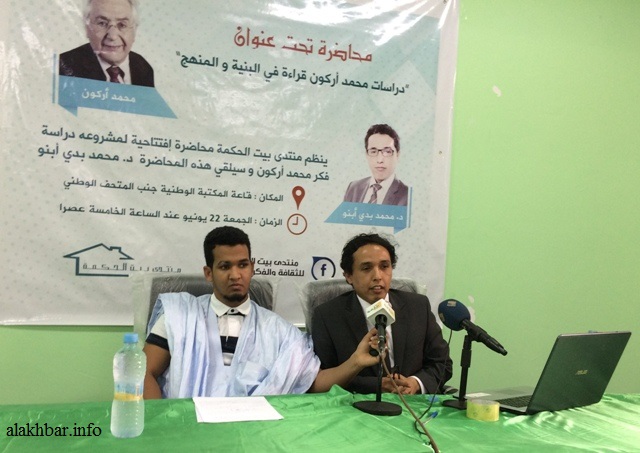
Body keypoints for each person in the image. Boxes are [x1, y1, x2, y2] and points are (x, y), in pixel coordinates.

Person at [143, 226, 380, 399]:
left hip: (254, 432)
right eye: (225, 266)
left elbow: (312, 383)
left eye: (242, 265)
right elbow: (145, 372)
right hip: (188, 428)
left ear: (252, 267)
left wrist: (355, 362)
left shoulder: (279, 331)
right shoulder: (179, 316)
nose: (235, 275)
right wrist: (160, 423)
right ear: (208, 273)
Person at [311, 233, 452, 395]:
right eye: (366, 268)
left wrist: (416, 383)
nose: (377, 276)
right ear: (349, 276)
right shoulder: (327, 316)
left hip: (413, 404)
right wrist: (377, 385)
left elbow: (442, 364)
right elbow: (323, 379)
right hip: (357, 404)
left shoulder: (418, 307)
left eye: (384, 266)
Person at [59, 0, 154, 87]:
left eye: (122, 25)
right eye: (102, 23)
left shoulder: (144, 67)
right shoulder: (64, 66)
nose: (112, 36)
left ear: (134, 30)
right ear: (87, 28)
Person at [343, 124, 409, 206]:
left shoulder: (407, 195)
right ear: (366, 155)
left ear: (397, 155)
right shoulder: (353, 188)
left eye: (387, 152)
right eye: (373, 152)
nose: (380, 160)